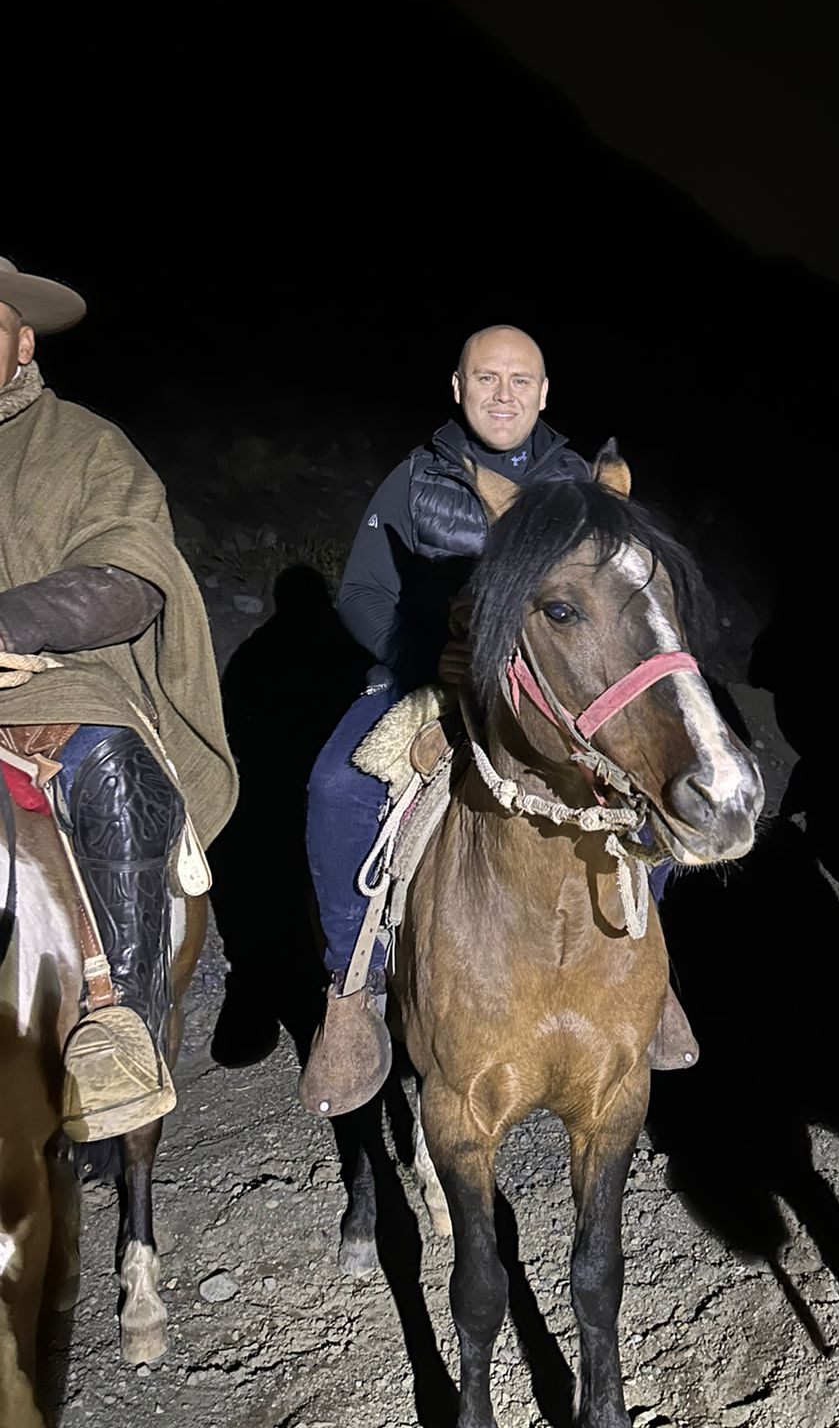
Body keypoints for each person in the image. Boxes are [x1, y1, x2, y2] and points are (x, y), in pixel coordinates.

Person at [300, 324, 697, 1117]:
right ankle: (353, 989)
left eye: (521, 380)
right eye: (487, 379)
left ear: (545, 393)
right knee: (335, 788)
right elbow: (362, 594)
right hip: (430, 682)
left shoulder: (584, 486)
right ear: (458, 387)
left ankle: (650, 967)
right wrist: (424, 653)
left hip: (556, 696)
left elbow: (622, 603)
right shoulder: (413, 481)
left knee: (665, 784)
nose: (504, 394)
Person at [0, 255, 237, 1141]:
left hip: (64, 683)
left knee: (110, 762)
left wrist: (10, 622)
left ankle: (122, 1032)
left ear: (22, 343)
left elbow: (132, 577)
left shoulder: (86, 446)